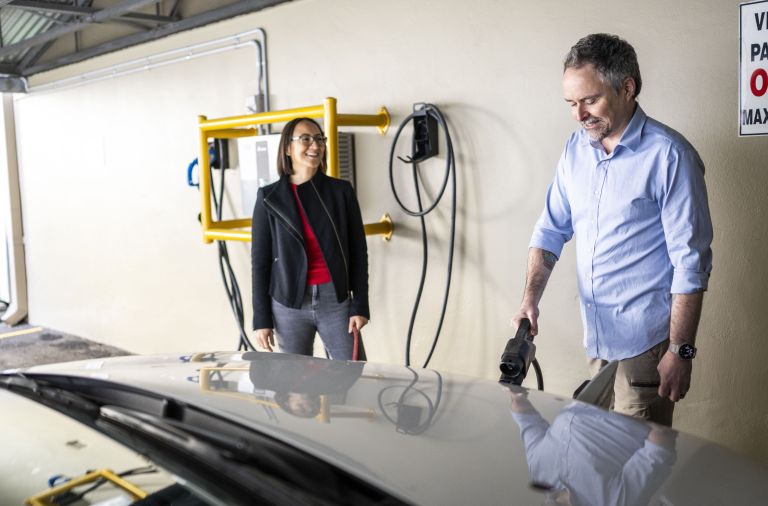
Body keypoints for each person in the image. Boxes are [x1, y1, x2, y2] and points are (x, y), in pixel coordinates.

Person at [511, 33, 713, 426]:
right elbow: (550, 231)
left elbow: (691, 264)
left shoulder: (670, 156)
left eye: (589, 100)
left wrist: (681, 350)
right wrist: (529, 299)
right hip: (598, 341)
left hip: (647, 350)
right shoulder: (575, 150)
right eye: (571, 103)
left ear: (627, 88)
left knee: (637, 475)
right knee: (596, 467)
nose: (579, 114)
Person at [251, 117, 369, 360]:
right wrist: (261, 319)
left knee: (354, 377)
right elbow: (260, 262)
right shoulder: (268, 197)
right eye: (305, 139)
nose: (315, 145)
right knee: (295, 388)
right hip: (287, 303)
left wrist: (360, 306)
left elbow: (358, 252)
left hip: (335, 301)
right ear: (287, 148)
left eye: (319, 139)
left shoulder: (341, 192)